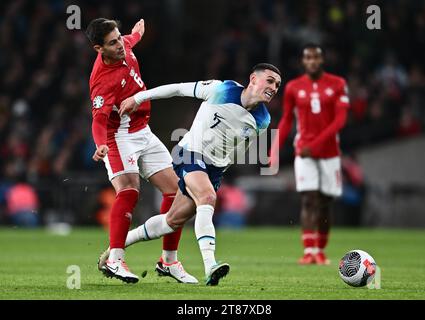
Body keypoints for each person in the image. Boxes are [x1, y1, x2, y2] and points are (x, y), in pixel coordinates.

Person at [110, 63, 282, 285]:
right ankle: (210, 265)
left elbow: (239, 148)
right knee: (208, 197)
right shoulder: (221, 89)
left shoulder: (263, 120)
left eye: (277, 84)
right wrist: (140, 97)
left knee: (172, 221)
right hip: (189, 153)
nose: (274, 87)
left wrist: (222, 169)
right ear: (253, 79)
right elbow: (178, 89)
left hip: (214, 169)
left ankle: (116, 250)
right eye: (269, 80)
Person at [86, 18, 197, 284]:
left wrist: (136, 33)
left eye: (119, 38)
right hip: (117, 136)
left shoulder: (123, 42)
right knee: (129, 190)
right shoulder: (102, 81)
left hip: (143, 131)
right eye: (113, 43)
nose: (120, 45)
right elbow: (99, 120)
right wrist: (100, 143)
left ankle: (168, 262)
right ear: (98, 49)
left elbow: (131, 38)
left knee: (178, 191)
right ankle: (115, 259)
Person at [270, 44, 349, 265]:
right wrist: (274, 148)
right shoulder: (294, 87)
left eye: (316, 57)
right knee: (308, 199)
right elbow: (286, 119)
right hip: (303, 152)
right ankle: (309, 251)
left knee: (325, 202)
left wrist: (315, 144)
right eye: (308, 58)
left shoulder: (338, 84)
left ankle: (320, 250)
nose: (312, 61)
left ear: (321, 60)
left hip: (329, 153)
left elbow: (340, 121)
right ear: (303, 62)